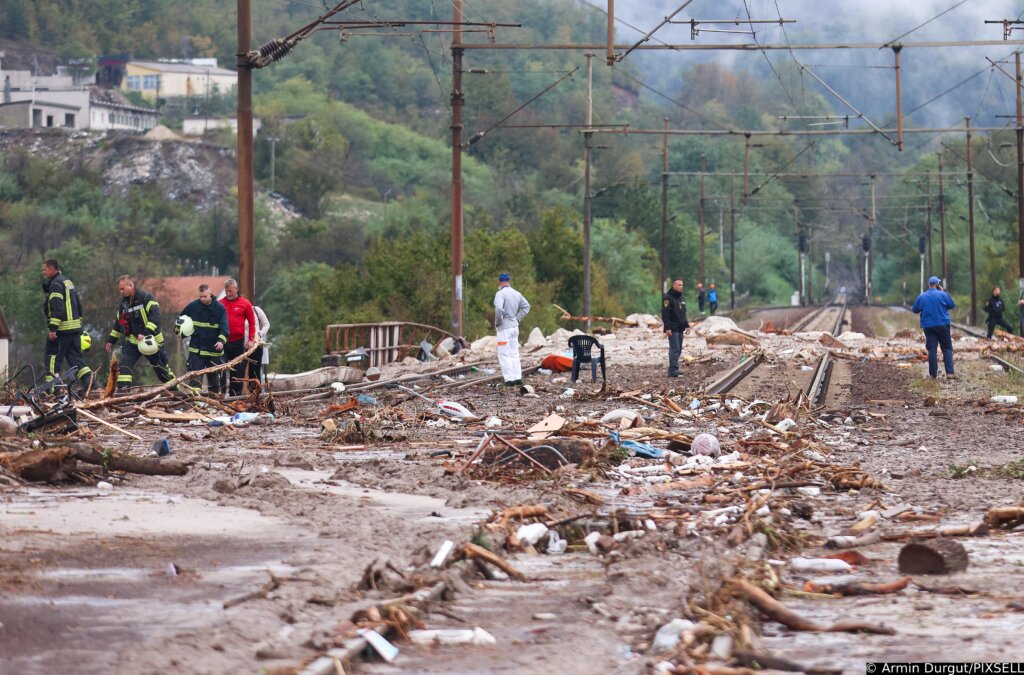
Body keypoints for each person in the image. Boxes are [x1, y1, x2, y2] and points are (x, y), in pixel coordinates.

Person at [106, 275, 174, 390]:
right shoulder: (124, 304)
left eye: (123, 289)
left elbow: (155, 316)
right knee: (124, 367)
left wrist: (145, 332)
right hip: (133, 342)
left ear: (131, 285)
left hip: (151, 341)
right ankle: (123, 396)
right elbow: (119, 324)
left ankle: (176, 391)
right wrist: (110, 341)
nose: (121, 291)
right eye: (120, 289)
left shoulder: (146, 298)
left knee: (161, 370)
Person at [41, 259, 93, 394]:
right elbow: (78, 304)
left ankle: (53, 389)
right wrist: (78, 324)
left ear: (52, 268)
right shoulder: (67, 281)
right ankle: (91, 383)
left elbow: (57, 308)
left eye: (45, 269)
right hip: (74, 328)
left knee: (52, 357)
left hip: (62, 330)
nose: (43, 271)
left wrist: (53, 329)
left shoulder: (56, 284)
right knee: (75, 358)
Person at [178, 284, 229, 394]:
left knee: (214, 381)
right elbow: (181, 320)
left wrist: (221, 341)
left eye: (204, 296)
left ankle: (214, 403)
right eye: (200, 297)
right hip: (196, 350)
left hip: (213, 351)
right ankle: (195, 403)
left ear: (210, 294)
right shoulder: (193, 306)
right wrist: (180, 333)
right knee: (195, 379)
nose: (202, 299)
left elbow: (224, 328)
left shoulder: (219, 308)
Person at [911, 276, 956, 380]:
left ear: (929, 284)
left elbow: (915, 310)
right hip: (943, 325)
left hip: (929, 326)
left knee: (932, 350)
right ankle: (950, 373)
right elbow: (951, 305)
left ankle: (933, 375)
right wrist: (944, 292)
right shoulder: (943, 294)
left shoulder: (922, 296)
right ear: (937, 284)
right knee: (947, 348)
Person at [220, 278, 257, 396]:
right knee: (220, 368)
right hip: (223, 342)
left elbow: (252, 322)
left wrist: (251, 339)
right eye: (226, 291)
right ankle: (220, 395)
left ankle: (234, 396)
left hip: (238, 342)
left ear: (236, 289)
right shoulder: (220, 304)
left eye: (230, 291)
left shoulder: (245, 303)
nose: (228, 294)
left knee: (238, 370)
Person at [493, 272, 530, 386]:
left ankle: (509, 380)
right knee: (514, 353)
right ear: (509, 281)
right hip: (514, 327)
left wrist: (499, 322)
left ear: (499, 282)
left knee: (504, 354)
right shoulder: (517, 293)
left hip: (505, 329)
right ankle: (517, 377)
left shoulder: (500, 294)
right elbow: (526, 306)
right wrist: (517, 319)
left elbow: (499, 308)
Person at [662, 277, 691, 378]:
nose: (681, 287)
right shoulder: (667, 297)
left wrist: (687, 326)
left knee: (679, 349)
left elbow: (683, 313)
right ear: (674, 285)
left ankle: (675, 368)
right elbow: (665, 314)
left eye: (682, 285)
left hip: (680, 328)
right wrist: (667, 328)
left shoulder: (681, 298)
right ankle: (672, 370)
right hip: (672, 328)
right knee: (674, 348)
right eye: (679, 285)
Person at [248, 305, 270, 383]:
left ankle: (255, 392)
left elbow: (266, 324)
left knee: (255, 370)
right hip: (241, 344)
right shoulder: (237, 311)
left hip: (256, 344)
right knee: (239, 371)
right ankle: (237, 393)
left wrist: (259, 335)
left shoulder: (256, 310)